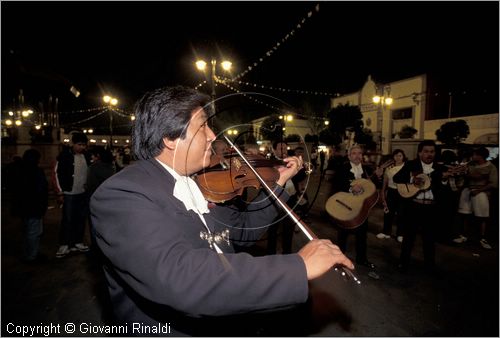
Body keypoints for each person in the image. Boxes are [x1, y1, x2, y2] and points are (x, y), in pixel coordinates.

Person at [90, 86, 353, 336]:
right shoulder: (123, 193)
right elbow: (182, 278)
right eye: (203, 125)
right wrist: (297, 267)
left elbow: (242, 230)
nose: (212, 135)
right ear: (170, 138)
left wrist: (278, 184)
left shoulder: (196, 184)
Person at [393, 140, 451, 273]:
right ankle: (404, 263)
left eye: (432, 151)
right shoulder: (411, 165)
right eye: (426, 151)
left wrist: (443, 179)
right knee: (409, 238)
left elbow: (444, 191)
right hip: (414, 206)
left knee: (429, 239)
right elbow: (397, 178)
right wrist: (413, 180)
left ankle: (429, 266)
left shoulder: (440, 168)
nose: (429, 154)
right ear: (420, 153)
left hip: (431, 208)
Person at [332, 144, 383, 269]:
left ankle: (362, 259)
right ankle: (340, 259)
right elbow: (336, 186)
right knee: (343, 234)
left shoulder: (367, 170)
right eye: (354, 153)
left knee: (362, 234)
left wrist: (378, 177)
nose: (357, 156)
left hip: (361, 207)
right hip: (345, 206)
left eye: (359, 153)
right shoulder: (342, 168)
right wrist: (350, 188)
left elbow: (374, 187)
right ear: (349, 156)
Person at [53, 132, 91, 258]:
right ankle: (64, 244)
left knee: (80, 219)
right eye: (79, 145)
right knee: (67, 219)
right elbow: (56, 174)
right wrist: (59, 192)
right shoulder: (64, 155)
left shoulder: (86, 155)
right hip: (69, 193)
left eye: (84, 145)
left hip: (82, 193)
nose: (82, 147)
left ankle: (77, 242)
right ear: (73, 144)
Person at [455, 147, 498, 249]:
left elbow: (494, 184)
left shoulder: (491, 167)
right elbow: (462, 178)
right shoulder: (470, 165)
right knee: (464, 214)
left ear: (481, 156)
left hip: (481, 192)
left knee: (482, 217)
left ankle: (482, 238)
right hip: (468, 190)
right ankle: (464, 235)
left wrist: (479, 190)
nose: (473, 156)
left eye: (475, 154)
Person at [11, 149, 49, 263]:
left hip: (23, 206)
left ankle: (29, 253)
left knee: (27, 231)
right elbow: (41, 189)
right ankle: (32, 256)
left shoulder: (19, 170)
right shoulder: (36, 171)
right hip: (34, 207)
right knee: (34, 232)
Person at [266, 141, 296, 254]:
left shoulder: (291, 161)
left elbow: (300, 178)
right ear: (274, 150)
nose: (284, 151)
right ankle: (271, 253)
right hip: (275, 200)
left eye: (285, 148)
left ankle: (287, 252)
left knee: (289, 228)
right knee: (273, 229)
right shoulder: (269, 162)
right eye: (280, 148)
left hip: (290, 199)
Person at [86, 146, 116, 252]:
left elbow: (89, 185)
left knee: (94, 225)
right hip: (109, 200)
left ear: (98, 156)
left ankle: (96, 247)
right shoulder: (112, 168)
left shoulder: (94, 168)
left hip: (95, 199)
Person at [377, 149, 407, 242]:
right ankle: (386, 232)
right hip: (391, 192)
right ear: (393, 157)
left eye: (400, 155)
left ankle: (400, 234)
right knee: (388, 212)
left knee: (401, 214)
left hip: (403, 192)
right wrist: (382, 193)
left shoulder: (406, 167)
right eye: (396, 155)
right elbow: (385, 182)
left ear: (403, 157)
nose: (398, 157)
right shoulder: (389, 168)